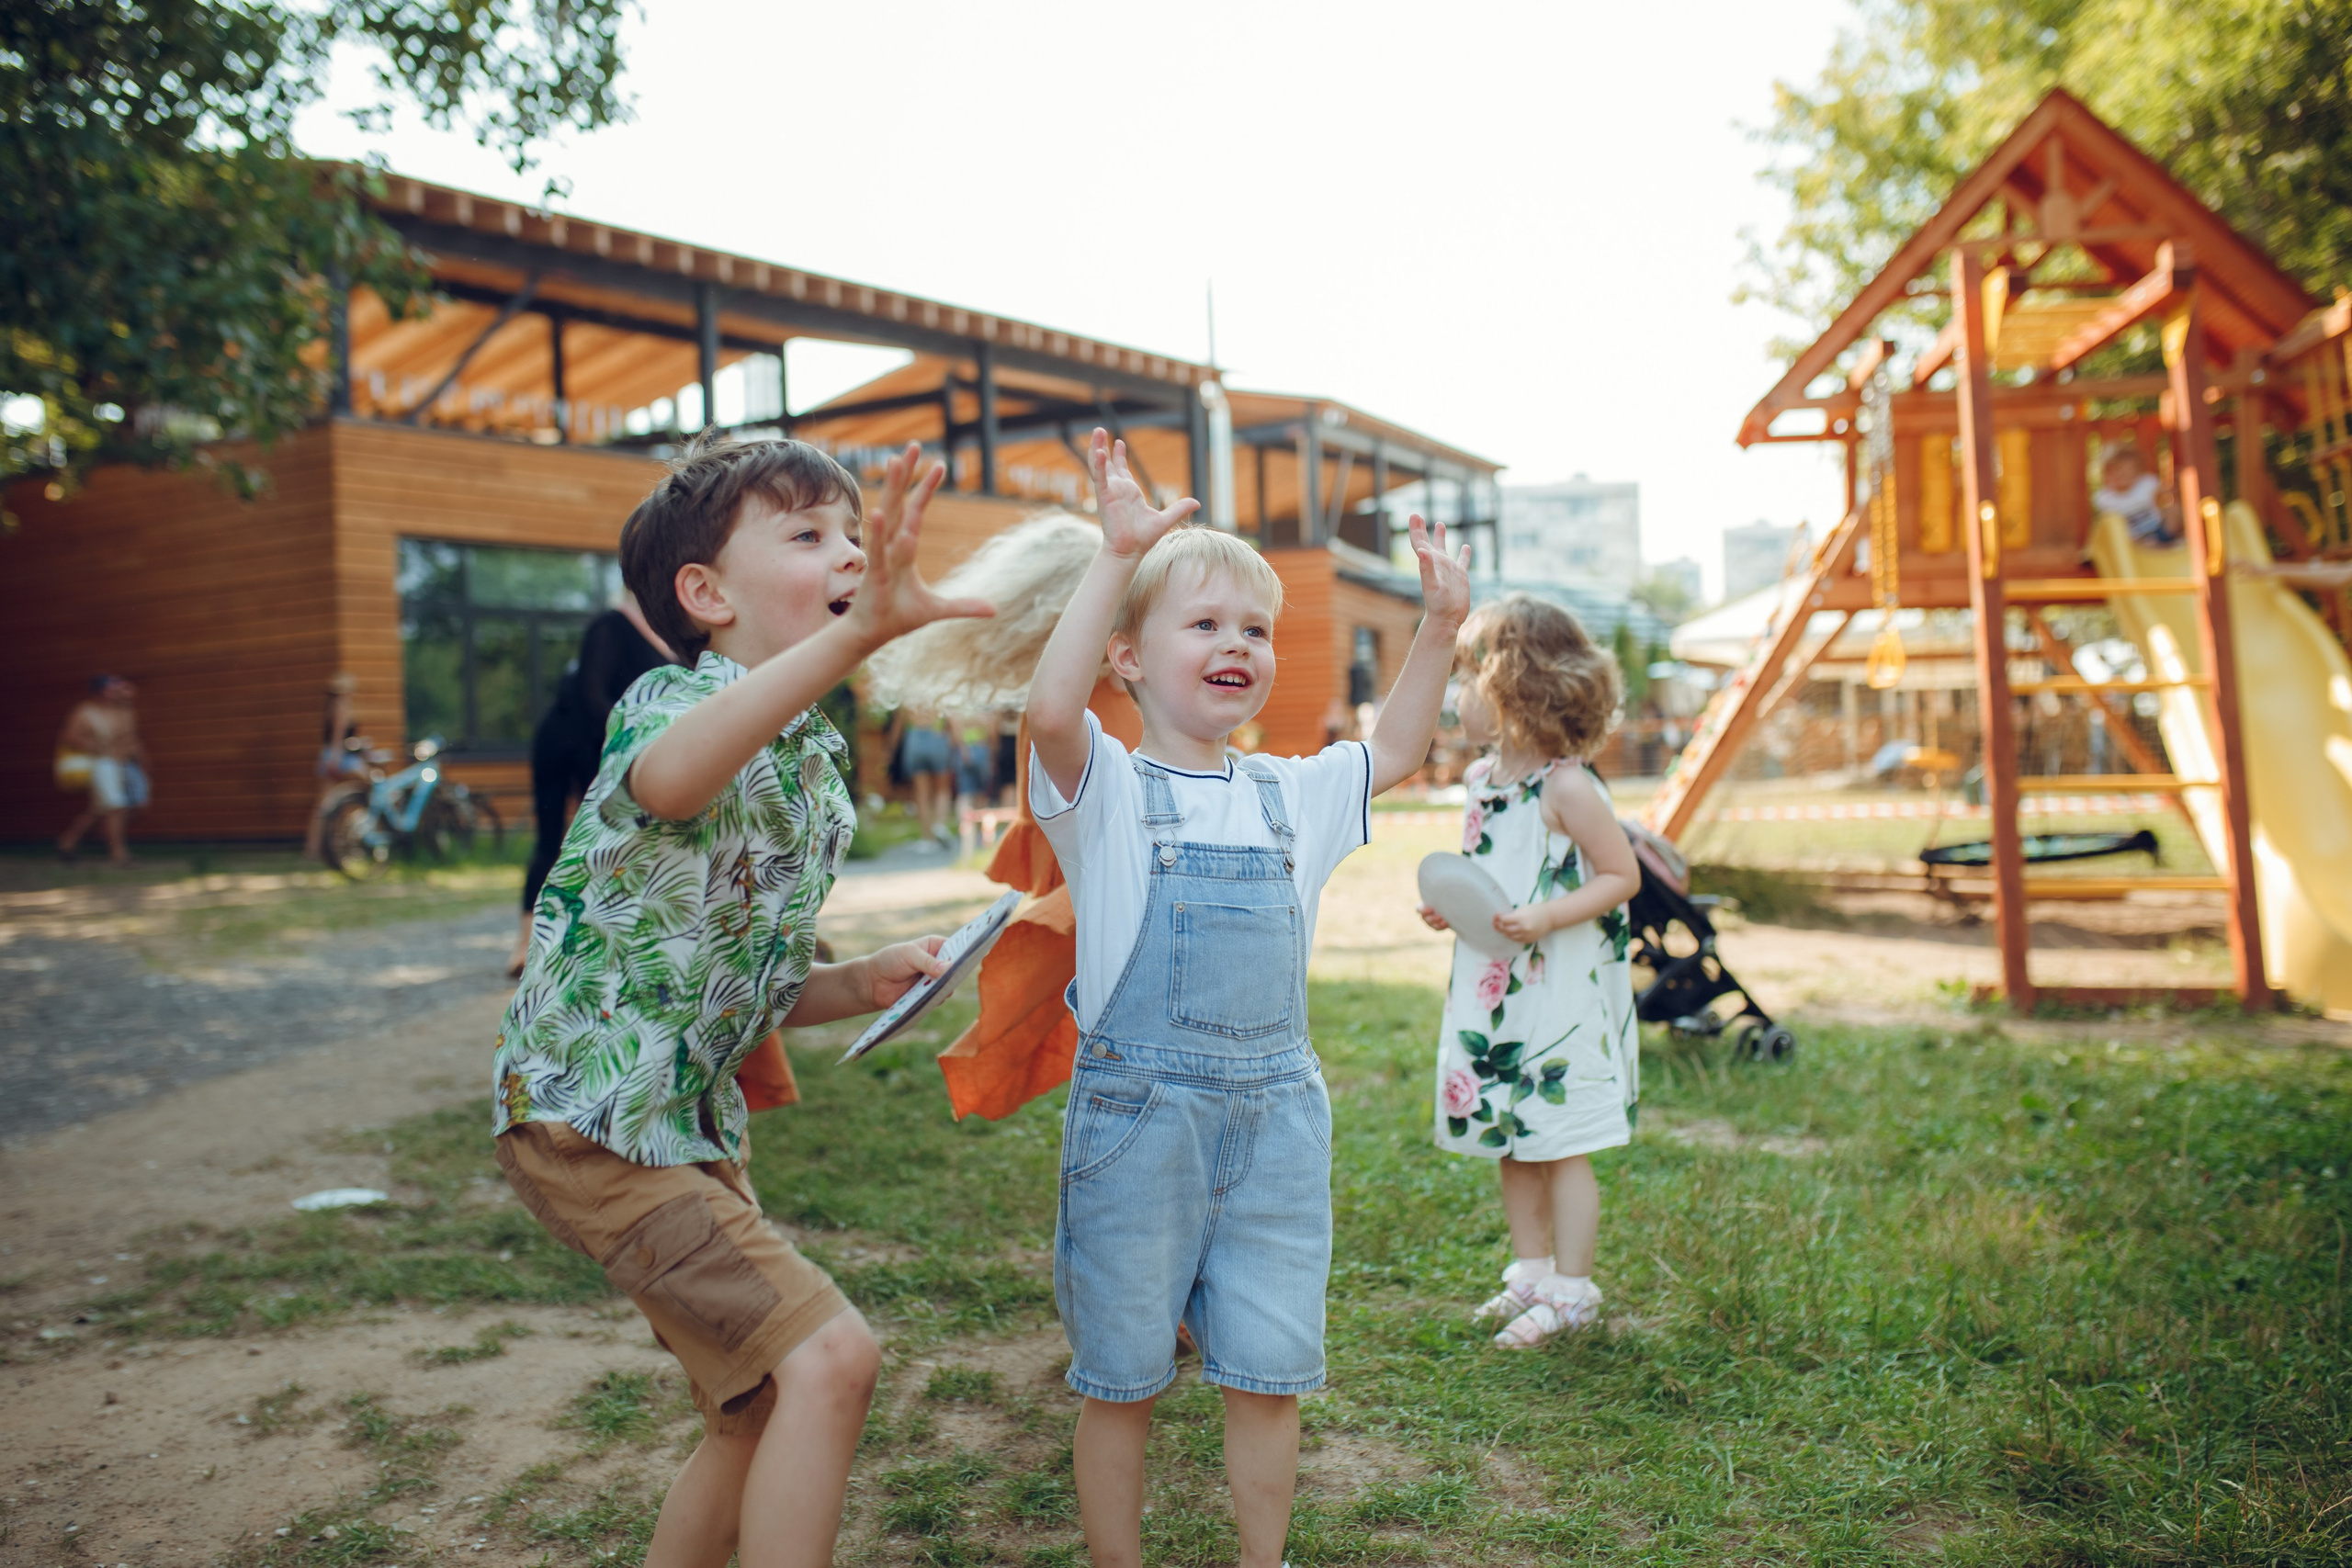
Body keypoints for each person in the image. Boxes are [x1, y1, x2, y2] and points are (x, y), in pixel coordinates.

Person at [490, 436, 991, 1568]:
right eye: (808, 535)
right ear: (706, 596)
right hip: (592, 1123)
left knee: (756, 1405)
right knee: (831, 1358)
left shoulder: (812, 758)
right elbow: (671, 780)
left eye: (854, 534)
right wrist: (857, 635)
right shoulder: (669, 701)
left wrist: (861, 981)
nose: (850, 552)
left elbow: (738, 976)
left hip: (688, 1132)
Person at [1026, 429, 1469, 1568]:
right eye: (1206, 625)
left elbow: (1397, 748)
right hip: (1140, 1132)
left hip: (1276, 1129)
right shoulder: (1103, 792)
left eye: (1256, 630)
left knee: (1270, 1374)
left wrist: (1438, 627)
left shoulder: (1292, 795)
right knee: (1123, 1380)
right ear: (1127, 658)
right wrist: (1114, 556)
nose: (1237, 644)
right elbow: (1049, 712)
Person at [1418, 593, 1641, 1349]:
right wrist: (1456, 907)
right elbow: (1493, 872)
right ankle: (1532, 1272)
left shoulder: (1566, 785)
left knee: (1560, 1139)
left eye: (1467, 677)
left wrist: (1545, 916)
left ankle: (1574, 1292)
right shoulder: (1483, 779)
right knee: (1508, 1135)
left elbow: (1621, 876)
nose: (1457, 694)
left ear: (1516, 685)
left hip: (1556, 990)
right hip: (1497, 986)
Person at [505, 588, 676, 976]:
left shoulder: (672, 637)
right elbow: (592, 694)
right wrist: (632, 744)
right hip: (568, 742)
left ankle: (600, 937)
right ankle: (526, 944)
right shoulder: (611, 625)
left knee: (614, 844)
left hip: (611, 748)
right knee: (553, 840)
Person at [55, 675, 148, 866]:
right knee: (115, 807)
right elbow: (69, 736)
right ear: (100, 692)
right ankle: (118, 853)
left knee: (103, 808)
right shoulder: (85, 712)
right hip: (102, 764)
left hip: (122, 764)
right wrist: (93, 747)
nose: (116, 691)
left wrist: (141, 760)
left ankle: (68, 841)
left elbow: (131, 737)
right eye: (111, 688)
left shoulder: (122, 711)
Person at [304, 672, 369, 862]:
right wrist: (335, 759)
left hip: (330, 755)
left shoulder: (331, 706)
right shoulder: (342, 705)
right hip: (341, 757)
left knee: (324, 804)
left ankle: (313, 846)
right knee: (369, 788)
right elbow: (338, 736)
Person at [2091, 445, 2182, 547]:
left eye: (2127, 472)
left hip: (2158, 529)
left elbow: (2165, 494)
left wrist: (2170, 491)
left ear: (2138, 472)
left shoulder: (2146, 485)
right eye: (2115, 473)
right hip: (2132, 541)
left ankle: (2177, 536)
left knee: (2175, 508)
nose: (2121, 476)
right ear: (2106, 475)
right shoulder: (2107, 498)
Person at [891, 706, 956, 846]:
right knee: (942, 788)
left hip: (914, 737)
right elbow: (950, 719)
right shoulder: (939, 696)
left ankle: (927, 837)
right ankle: (940, 825)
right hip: (937, 735)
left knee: (921, 793)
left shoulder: (908, 698)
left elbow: (899, 724)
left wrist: (890, 750)